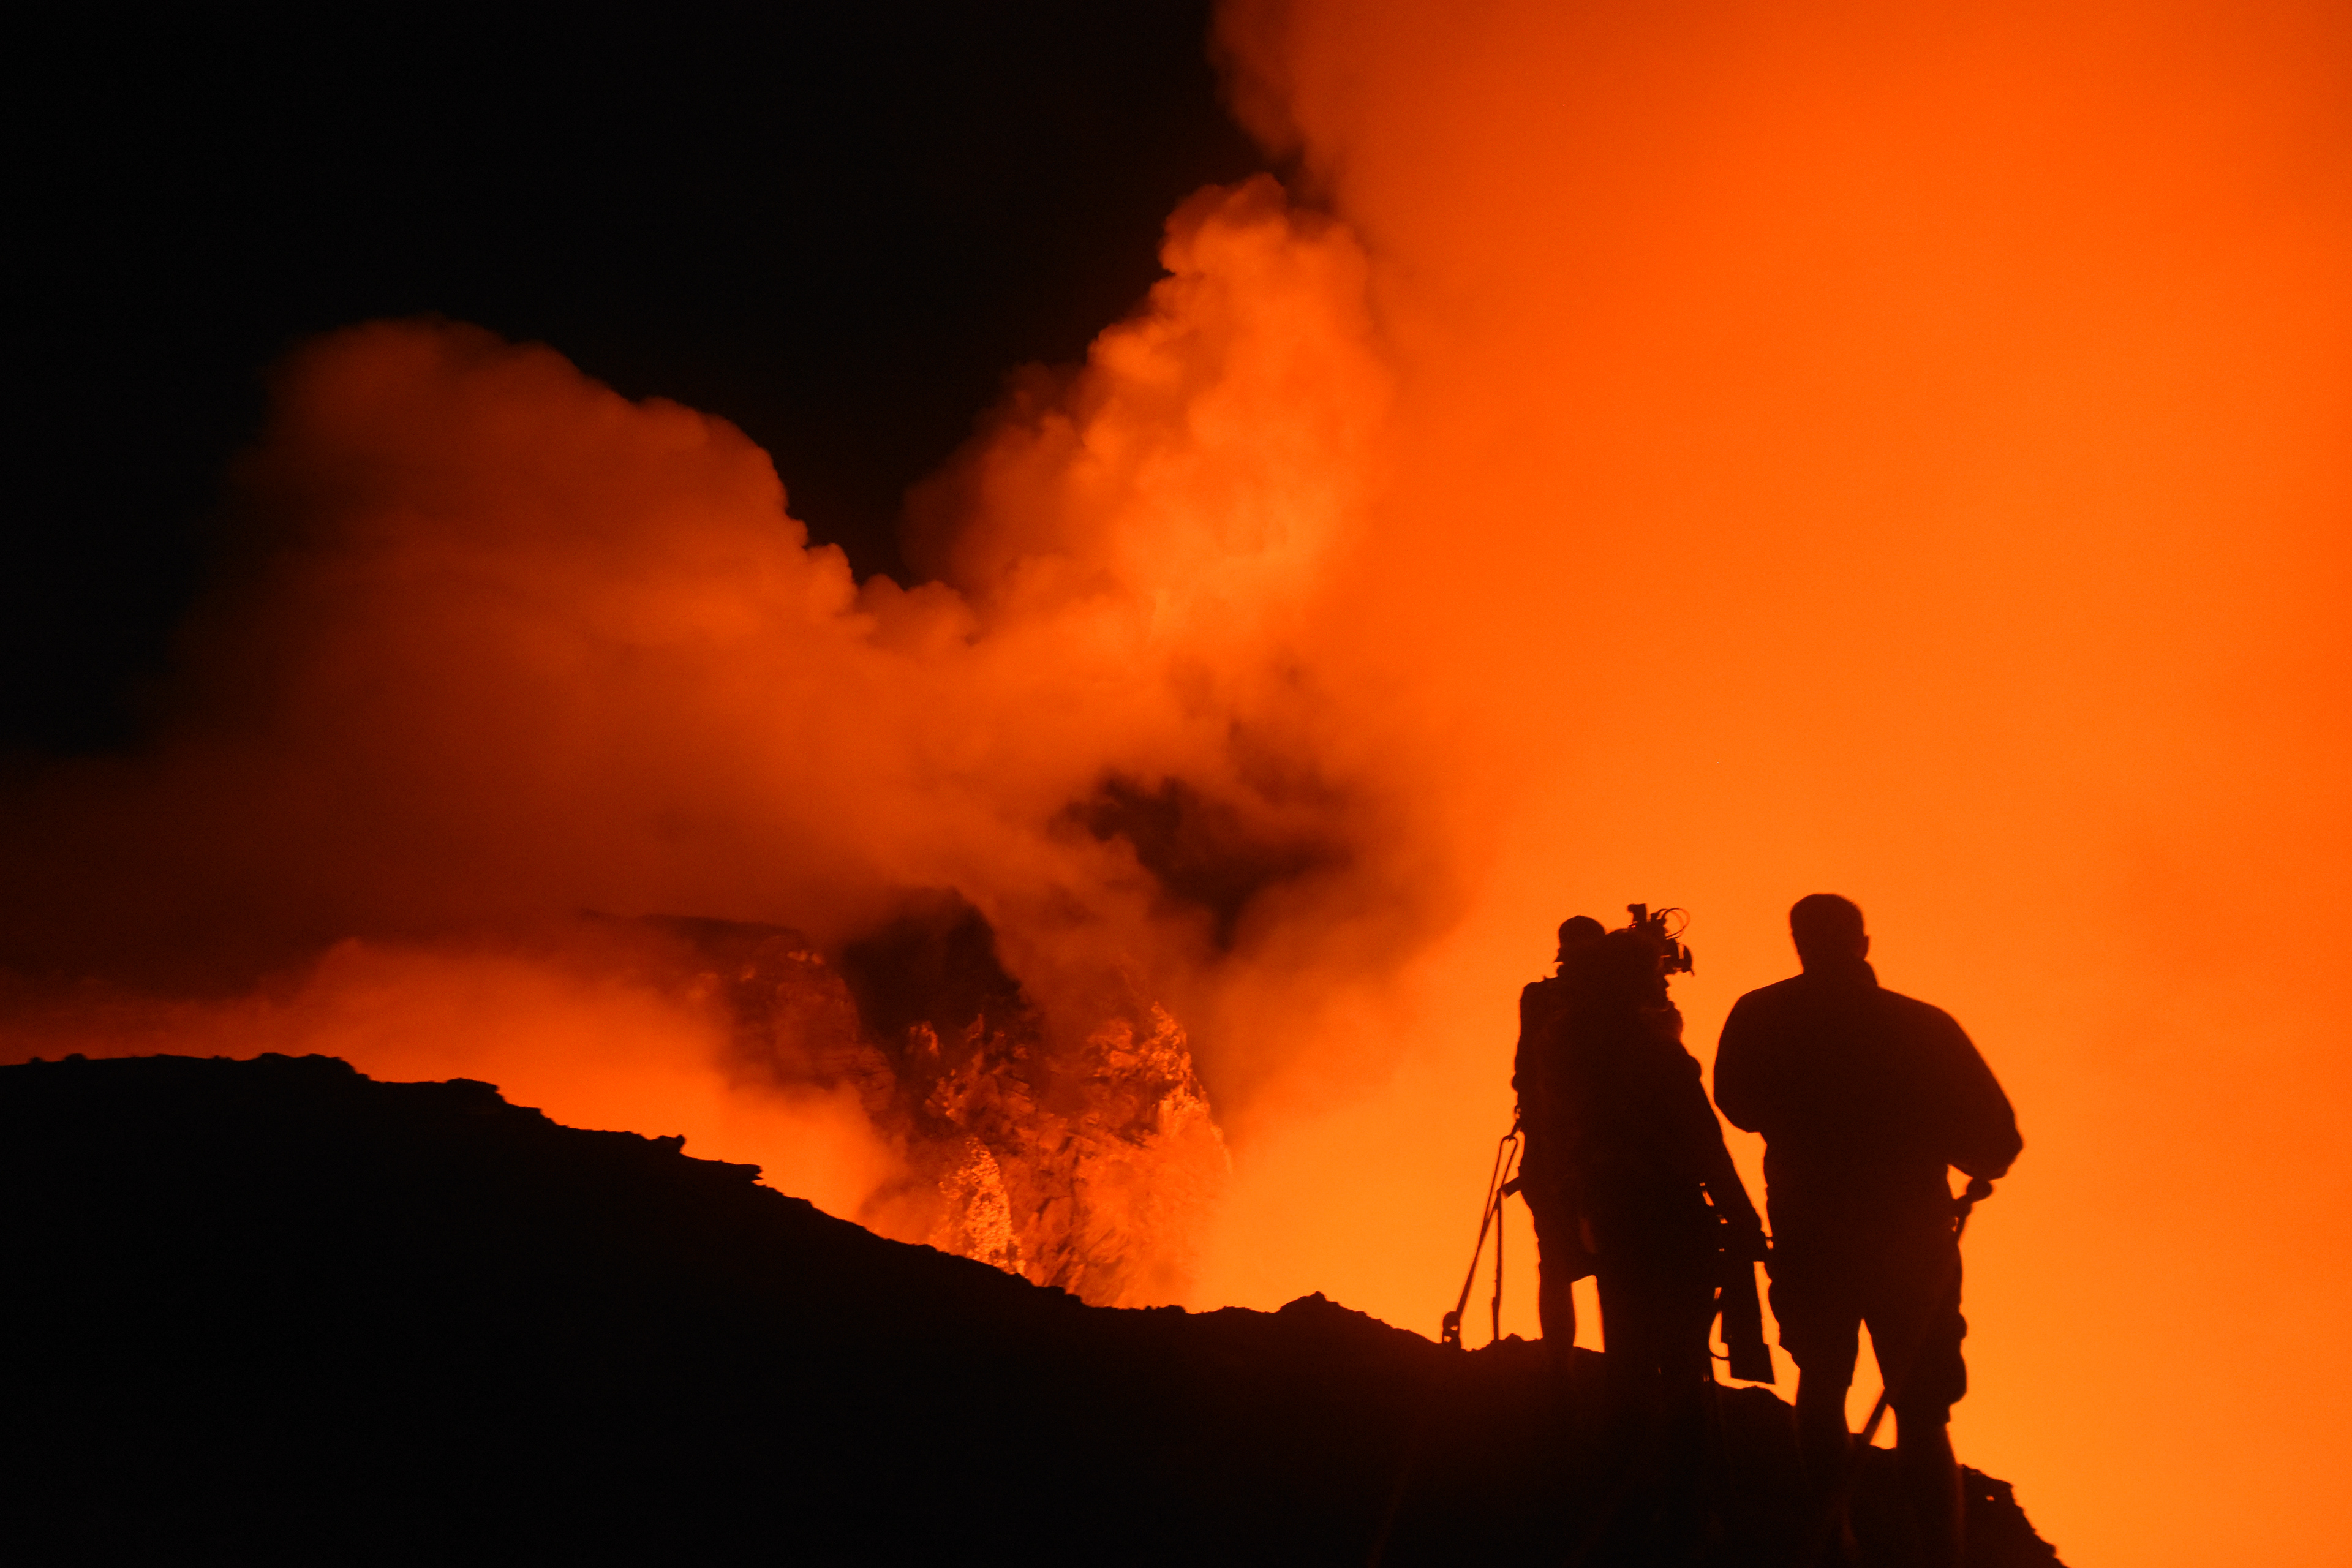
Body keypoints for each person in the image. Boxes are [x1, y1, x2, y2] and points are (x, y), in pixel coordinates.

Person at [1714, 895, 2021, 1568]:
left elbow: (1735, 1103)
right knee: (1922, 1405)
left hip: (1809, 1228)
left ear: (1798, 941)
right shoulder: (1920, 1025)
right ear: (1863, 941)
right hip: (1910, 1237)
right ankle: (1941, 1554)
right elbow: (1997, 1138)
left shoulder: (1760, 1016)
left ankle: (1834, 1540)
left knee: (1821, 1380)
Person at [1520, 913, 1768, 1556]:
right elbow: (1704, 1141)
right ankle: (1686, 1513)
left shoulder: (1565, 1048)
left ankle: (1623, 1510)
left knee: (1628, 1361)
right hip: (1672, 1221)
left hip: (1611, 1219)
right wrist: (1742, 1217)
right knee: (1684, 1369)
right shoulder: (1658, 1052)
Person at [1512, 913, 1607, 1366]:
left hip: (1547, 1157)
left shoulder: (1539, 999)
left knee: (1554, 1264)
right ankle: (1619, 1366)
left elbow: (1523, 1075)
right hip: (1601, 1159)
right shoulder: (1609, 1007)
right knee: (1613, 1266)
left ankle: (1558, 1367)